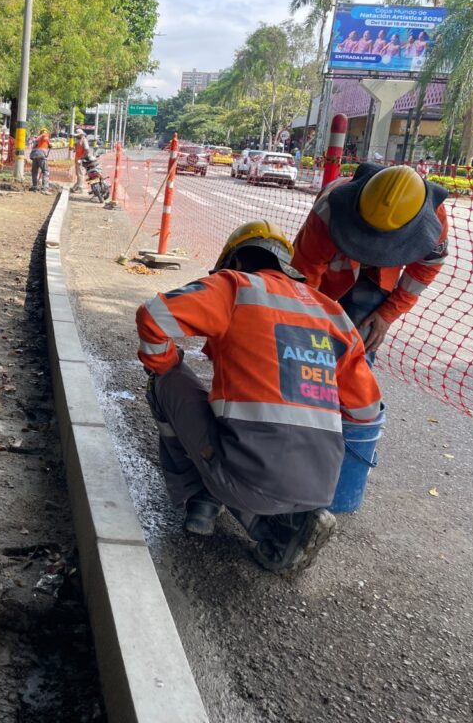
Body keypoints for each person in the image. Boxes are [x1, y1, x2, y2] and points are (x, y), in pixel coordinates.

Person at [137, 221, 382, 573]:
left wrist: (163, 363)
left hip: (252, 482)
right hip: (323, 483)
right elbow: (366, 411)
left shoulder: (234, 287)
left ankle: (205, 498)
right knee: (227, 420)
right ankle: (293, 518)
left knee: (166, 381)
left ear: (235, 263)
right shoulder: (332, 312)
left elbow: (154, 316)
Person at [291, 164, 450, 359]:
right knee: (302, 337)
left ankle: (353, 383)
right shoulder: (330, 206)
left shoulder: (434, 220)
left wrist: (388, 313)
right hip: (330, 268)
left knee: (362, 342)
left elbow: (423, 271)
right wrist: (301, 317)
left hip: (377, 276)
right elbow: (306, 269)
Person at [30, 128, 51, 193]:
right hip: (41, 155)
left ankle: (34, 186)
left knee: (34, 171)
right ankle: (45, 188)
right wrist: (49, 144)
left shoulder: (37, 138)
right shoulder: (45, 135)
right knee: (45, 171)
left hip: (34, 155)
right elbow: (45, 137)